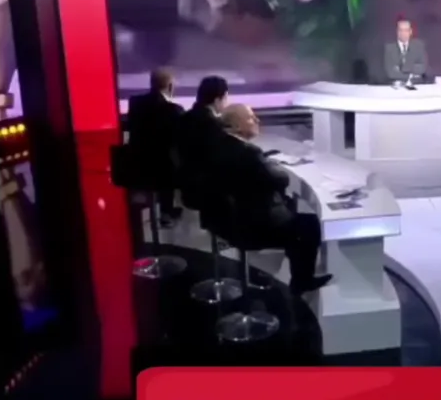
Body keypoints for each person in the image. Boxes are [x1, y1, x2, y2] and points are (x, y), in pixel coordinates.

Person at [212, 104, 331, 295]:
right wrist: (268, 165)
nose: (257, 120)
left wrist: (264, 162)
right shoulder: (248, 153)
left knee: (291, 209)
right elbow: (280, 180)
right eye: (251, 118)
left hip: (226, 221)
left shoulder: (221, 145)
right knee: (309, 225)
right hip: (251, 227)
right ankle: (302, 282)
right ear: (236, 126)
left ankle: (296, 267)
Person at [127, 69, 185, 225]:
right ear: (170, 86)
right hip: (162, 170)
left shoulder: (135, 102)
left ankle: (163, 210)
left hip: (136, 164)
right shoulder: (174, 110)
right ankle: (167, 211)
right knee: (171, 159)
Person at [176, 75, 231, 196]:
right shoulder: (214, 124)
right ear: (217, 100)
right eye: (226, 98)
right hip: (210, 186)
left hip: (187, 182)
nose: (227, 103)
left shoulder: (183, 118)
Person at [383, 18, 428, 89]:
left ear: (410, 32)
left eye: (406, 30)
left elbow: (423, 68)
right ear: (397, 32)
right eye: (400, 30)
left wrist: (401, 68)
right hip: (396, 87)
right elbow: (390, 73)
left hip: (416, 86)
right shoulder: (389, 48)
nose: (403, 33)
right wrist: (412, 74)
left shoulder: (419, 45)